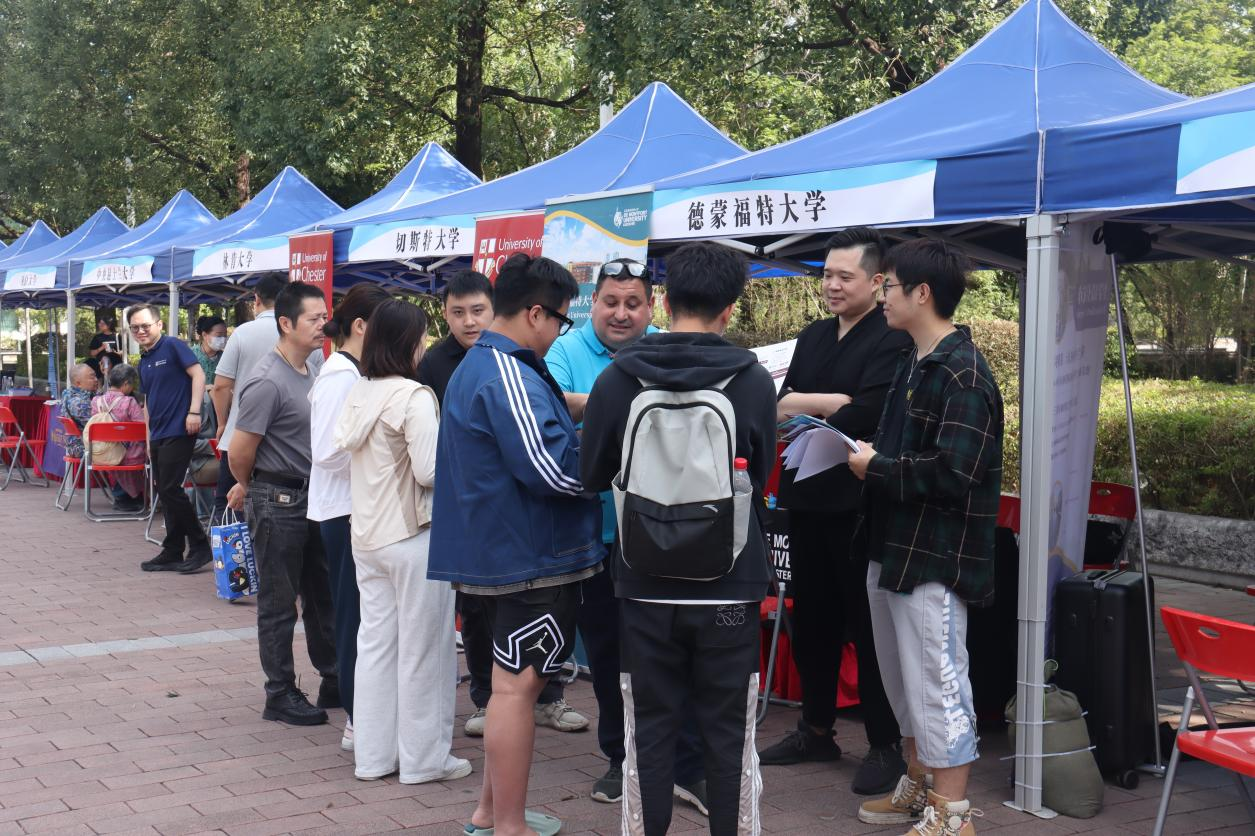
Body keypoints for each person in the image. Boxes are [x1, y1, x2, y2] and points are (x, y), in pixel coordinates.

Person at [580, 241, 777, 836]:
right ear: (730, 308)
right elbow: (760, 474)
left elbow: (592, 475)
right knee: (730, 729)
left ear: (664, 302)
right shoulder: (752, 381)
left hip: (643, 580)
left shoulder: (619, 378)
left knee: (648, 727)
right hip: (730, 580)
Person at [429, 254, 601, 836]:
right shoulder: (507, 372)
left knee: (511, 687)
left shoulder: (481, 364)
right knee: (516, 690)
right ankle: (507, 824)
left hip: (503, 552)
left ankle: (491, 811)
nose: (558, 332)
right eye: (560, 320)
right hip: (527, 554)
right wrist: (608, 458)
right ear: (535, 313)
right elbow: (552, 469)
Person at [848, 239, 1004, 836]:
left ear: (922, 293)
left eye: (887, 285)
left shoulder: (962, 373)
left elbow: (953, 473)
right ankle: (919, 784)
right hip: (891, 548)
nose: (881, 295)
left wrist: (876, 467)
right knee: (902, 681)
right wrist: (869, 457)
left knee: (938, 683)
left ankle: (953, 813)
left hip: (933, 555)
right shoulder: (915, 359)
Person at [545, 259, 707, 812]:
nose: (621, 314)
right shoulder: (567, 350)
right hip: (597, 534)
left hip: (668, 531)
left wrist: (597, 408)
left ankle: (686, 765)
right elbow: (552, 404)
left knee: (674, 651)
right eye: (610, 302)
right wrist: (625, 402)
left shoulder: (667, 345)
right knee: (610, 653)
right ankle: (621, 758)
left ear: (651, 306)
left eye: (633, 303)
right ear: (593, 303)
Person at [759, 227, 909, 795]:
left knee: (867, 626)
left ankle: (884, 742)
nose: (832, 285)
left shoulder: (890, 336)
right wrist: (828, 403)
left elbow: (867, 413)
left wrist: (814, 406)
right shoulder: (814, 335)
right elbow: (780, 402)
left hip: (858, 505)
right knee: (813, 620)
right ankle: (815, 728)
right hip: (805, 496)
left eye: (845, 276)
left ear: (877, 281)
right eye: (827, 274)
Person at [335, 298, 472, 785]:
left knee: (375, 647)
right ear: (408, 342)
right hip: (414, 536)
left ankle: (373, 758)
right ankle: (424, 760)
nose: (425, 344)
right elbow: (431, 471)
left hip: (367, 536)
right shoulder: (413, 396)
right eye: (421, 336)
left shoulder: (359, 389)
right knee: (425, 650)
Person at [226, 281, 338, 728]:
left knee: (322, 595)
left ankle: (334, 678)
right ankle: (280, 692)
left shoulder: (312, 366)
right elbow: (240, 451)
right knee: (278, 603)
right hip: (278, 500)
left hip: (312, 497)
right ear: (286, 323)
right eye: (314, 318)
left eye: (324, 316)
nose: (323, 325)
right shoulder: (266, 380)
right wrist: (251, 486)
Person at [309, 283, 393, 752]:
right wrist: (379, 455)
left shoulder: (350, 371)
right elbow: (327, 452)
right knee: (353, 616)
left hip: (352, 510)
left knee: (362, 615)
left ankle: (364, 715)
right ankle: (359, 718)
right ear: (361, 327)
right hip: (344, 511)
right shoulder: (341, 376)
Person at [212, 274, 315, 525]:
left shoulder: (242, 333)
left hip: (241, 437)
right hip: (293, 454)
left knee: (232, 515)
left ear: (256, 299)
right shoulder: (308, 337)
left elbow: (221, 386)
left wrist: (222, 422)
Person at [129, 304, 211, 574]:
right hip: (158, 433)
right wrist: (147, 437)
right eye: (135, 327)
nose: (140, 331)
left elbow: (198, 374)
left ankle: (200, 545)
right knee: (164, 491)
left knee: (171, 489)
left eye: (145, 325)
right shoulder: (144, 360)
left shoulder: (173, 346)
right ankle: (173, 549)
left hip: (180, 428)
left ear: (159, 325)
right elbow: (147, 402)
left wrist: (194, 411)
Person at [91, 364, 147, 512]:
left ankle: (121, 496)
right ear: (126, 383)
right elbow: (141, 430)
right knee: (149, 450)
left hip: (104, 453)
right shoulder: (129, 402)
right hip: (130, 456)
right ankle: (133, 497)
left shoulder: (96, 401)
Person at [60, 363, 98, 461]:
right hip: (83, 447)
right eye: (92, 377)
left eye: (95, 376)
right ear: (78, 383)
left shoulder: (68, 394)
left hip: (76, 445)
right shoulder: (78, 403)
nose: (96, 380)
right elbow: (97, 426)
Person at [191, 315, 227, 384]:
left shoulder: (225, 357)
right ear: (204, 335)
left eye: (225, 335)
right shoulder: (191, 355)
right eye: (219, 335)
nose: (223, 339)